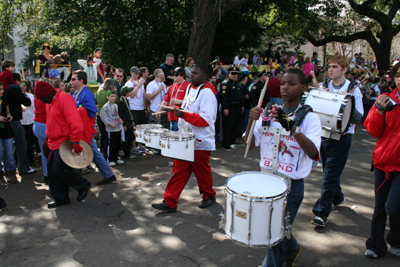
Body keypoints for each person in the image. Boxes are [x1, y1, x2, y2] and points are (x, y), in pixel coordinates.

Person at [245, 68, 321, 267]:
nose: (285, 87)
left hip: (291, 185)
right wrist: (251, 122)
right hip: (267, 180)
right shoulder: (269, 113)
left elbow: (314, 153)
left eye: (292, 83)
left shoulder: (310, 118)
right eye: (283, 83)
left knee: (274, 233)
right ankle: (293, 250)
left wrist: (292, 128)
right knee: (276, 229)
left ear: (304, 88)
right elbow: (249, 144)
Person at [151, 65, 217, 212]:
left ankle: (209, 195)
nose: (192, 76)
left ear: (204, 76)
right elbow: (187, 109)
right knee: (179, 170)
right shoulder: (189, 89)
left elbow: (205, 120)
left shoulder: (207, 93)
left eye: (196, 73)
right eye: (191, 73)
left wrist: (183, 115)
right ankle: (170, 201)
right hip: (185, 138)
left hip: (200, 140)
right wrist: (180, 113)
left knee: (201, 171)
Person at [312, 55, 364, 227]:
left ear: (344, 69)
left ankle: (321, 212)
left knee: (329, 176)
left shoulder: (353, 89)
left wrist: (346, 103)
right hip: (324, 136)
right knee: (329, 172)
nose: (330, 69)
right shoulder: (323, 86)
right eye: (329, 66)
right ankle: (338, 197)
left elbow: (358, 117)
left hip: (342, 139)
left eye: (335, 66)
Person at [35, 81, 91, 208]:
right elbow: (52, 121)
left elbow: (74, 120)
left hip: (64, 141)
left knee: (59, 168)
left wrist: (75, 140)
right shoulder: (50, 101)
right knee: (53, 172)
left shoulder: (64, 98)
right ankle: (61, 198)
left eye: (42, 98)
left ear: (48, 94)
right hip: (53, 141)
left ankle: (82, 185)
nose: (42, 101)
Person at [364, 62, 400, 259]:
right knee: (380, 207)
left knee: (394, 208)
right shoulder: (384, 100)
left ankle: (396, 239)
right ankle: (375, 245)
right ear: (393, 78)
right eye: (398, 75)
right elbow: (373, 131)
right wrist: (378, 111)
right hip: (383, 162)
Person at [71, 70, 117, 185]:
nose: (71, 81)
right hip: (80, 128)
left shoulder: (86, 93)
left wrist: (78, 112)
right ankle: (108, 174)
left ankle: (108, 174)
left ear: (81, 81)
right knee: (92, 151)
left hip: (84, 129)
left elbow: (91, 111)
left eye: (73, 79)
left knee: (93, 151)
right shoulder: (76, 92)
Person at [5, 73, 36, 175]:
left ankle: (8, 170)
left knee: (8, 147)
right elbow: (27, 102)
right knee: (21, 145)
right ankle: (23, 168)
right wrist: (21, 93)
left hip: (8, 121)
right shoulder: (15, 89)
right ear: (17, 81)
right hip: (16, 120)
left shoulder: (5, 89)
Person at [157, 67, 190, 131]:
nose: (174, 76)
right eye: (174, 74)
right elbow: (166, 100)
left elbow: (191, 101)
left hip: (180, 118)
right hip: (171, 117)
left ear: (182, 76)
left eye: (176, 75)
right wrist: (159, 111)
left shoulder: (188, 86)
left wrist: (179, 102)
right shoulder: (172, 86)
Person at [220, 67, 244, 149]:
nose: (234, 75)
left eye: (236, 74)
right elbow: (223, 97)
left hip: (237, 107)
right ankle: (225, 143)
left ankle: (232, 141)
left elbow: (240, 96)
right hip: (230, 107)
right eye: (232, 73)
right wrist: (225, 108)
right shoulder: (225, 84)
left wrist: (242, 105)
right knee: (228, 126)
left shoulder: (237, 84)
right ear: (229, 74)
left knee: (235, 126)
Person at [128, 67, 149, 155]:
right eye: (135, 73)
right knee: (134, 129)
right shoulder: (128, 83)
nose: (136, 75)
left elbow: (144, 95)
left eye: (137, 73)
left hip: (141, 109)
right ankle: (134, 147)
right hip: (133, 109)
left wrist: (145, 108)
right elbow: (132, 95)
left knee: (142, 129)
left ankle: (140, 145)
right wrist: (138, 85)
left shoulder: (141, 82)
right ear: (131, 73)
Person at [100, 90, 124, 166]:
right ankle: (110, 159)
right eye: (111, 96)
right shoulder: (106, 106)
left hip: (117, 127)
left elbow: (116, 115)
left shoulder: (116, 105)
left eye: (114, 96)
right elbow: (103, 117)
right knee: (111, 144)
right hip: (111, 129)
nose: (113, 98)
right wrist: (109, 123)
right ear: (108, 97)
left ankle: (116, 157)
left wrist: (120, 119)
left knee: (117, 143)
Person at [0, 82, 17, 184]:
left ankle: (12, 173)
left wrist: (9, 116)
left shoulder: (5, 100)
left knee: (9, 154)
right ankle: (1, 175)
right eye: (0, 89)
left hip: (6, 129)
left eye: (2, 89)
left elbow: (8, 112)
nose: (2, 91)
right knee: (0, 155)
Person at [95, 78, 115, 158]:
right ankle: (106, 152)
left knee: (102, 135)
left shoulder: (99, 91)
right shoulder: (109, 93)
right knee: (107, 135)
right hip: (107, 115)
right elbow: (114, 101)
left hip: (99, 114)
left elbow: (95, 101)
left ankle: (101, 151)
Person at [20, 79, 38, 166]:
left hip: (30, 121)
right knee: (22, 142)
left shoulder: (31, 97)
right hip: (21, 121)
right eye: (21, 85)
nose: (22, 87)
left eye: (24, 85)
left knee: (30, 141)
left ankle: (30, 160)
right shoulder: (17, 96)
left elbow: (34, 108)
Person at [118, 86, 136, 159]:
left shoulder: (126, 100)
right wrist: (124, 125)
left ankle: (127, 153)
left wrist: (131, 120)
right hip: (125, 123)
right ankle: (122, 148)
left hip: (128, 122)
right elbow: (119, 114)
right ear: (127, 93)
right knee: (131, 135)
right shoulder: (121, 102)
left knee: (130, 136)